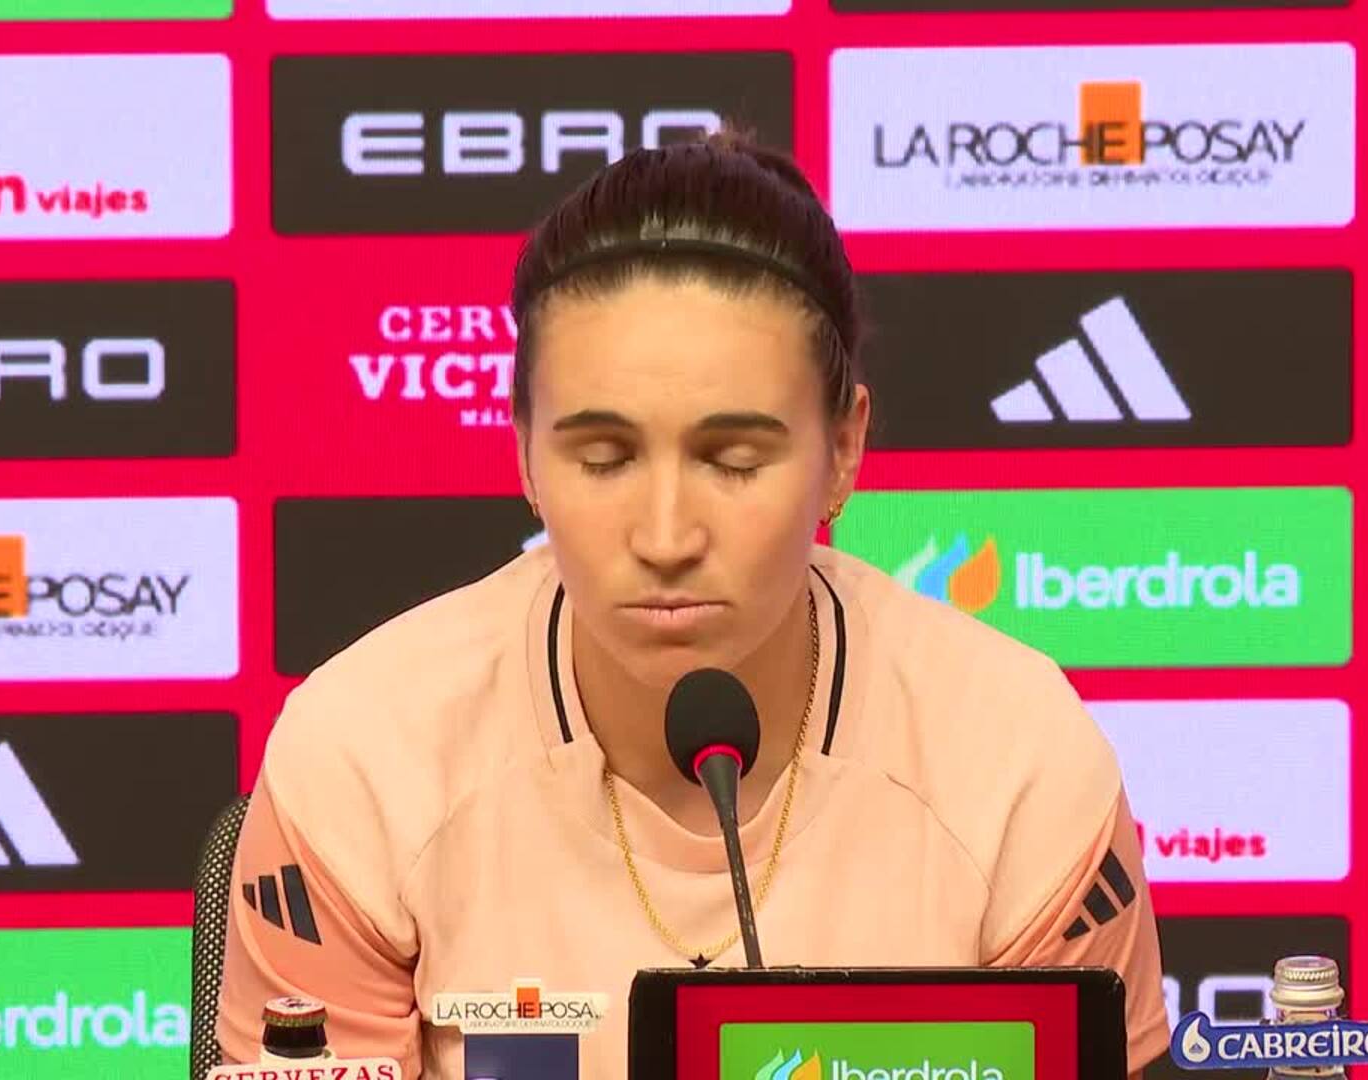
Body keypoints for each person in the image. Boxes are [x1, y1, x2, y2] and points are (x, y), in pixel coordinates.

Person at [216, 128, 1167, 1079]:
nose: (666, 536)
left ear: (843, 451)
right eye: (604, 459)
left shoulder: (1017, 761)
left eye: (734, 460)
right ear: (524, 456)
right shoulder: (362, 757)